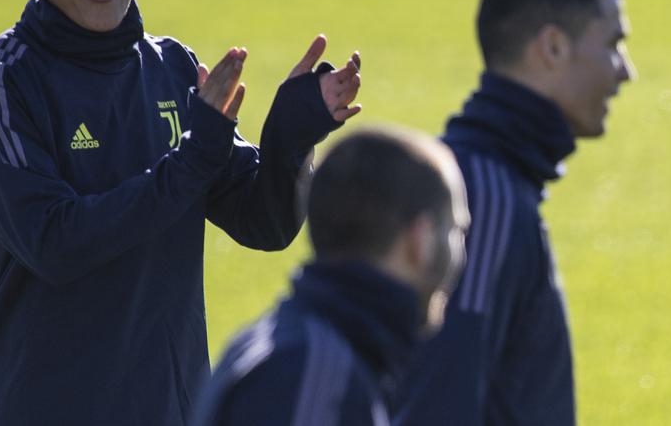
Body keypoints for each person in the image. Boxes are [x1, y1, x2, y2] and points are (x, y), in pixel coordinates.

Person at [0, 0, 362, 426]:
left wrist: (291, 136)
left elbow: (263, 223)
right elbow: (56, 244)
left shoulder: (169, 69)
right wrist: (193, 158)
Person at [395, 0, 636, 426]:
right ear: (551, 48)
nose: (625, 71)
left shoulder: (487, 178)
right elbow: (442, 400)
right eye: (612, 44)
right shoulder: (485, 198)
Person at [191, 126, 470, 426]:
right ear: (421, 240)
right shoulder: (320, 378)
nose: (462, 255)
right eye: (456, 231)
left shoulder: (296, 349)